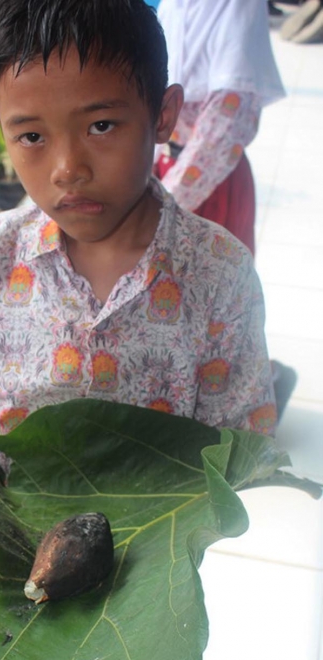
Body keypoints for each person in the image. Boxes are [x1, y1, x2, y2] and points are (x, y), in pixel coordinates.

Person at [0, 0, 278, 660]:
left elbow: (241, 434)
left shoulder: (216, 272)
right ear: (0, 129)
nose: (67, 169)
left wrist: (184, 529)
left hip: (153, 557)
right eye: (32, 136)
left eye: (102, 126)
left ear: (166, 114)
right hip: (25, 554)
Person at [154, 0, 296, 419]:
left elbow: (228, 118)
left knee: (214, 304)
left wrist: (164, 202)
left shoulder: (237, 5)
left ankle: (234, 412)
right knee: (168, 302)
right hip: (162, 166)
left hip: (209, 181)